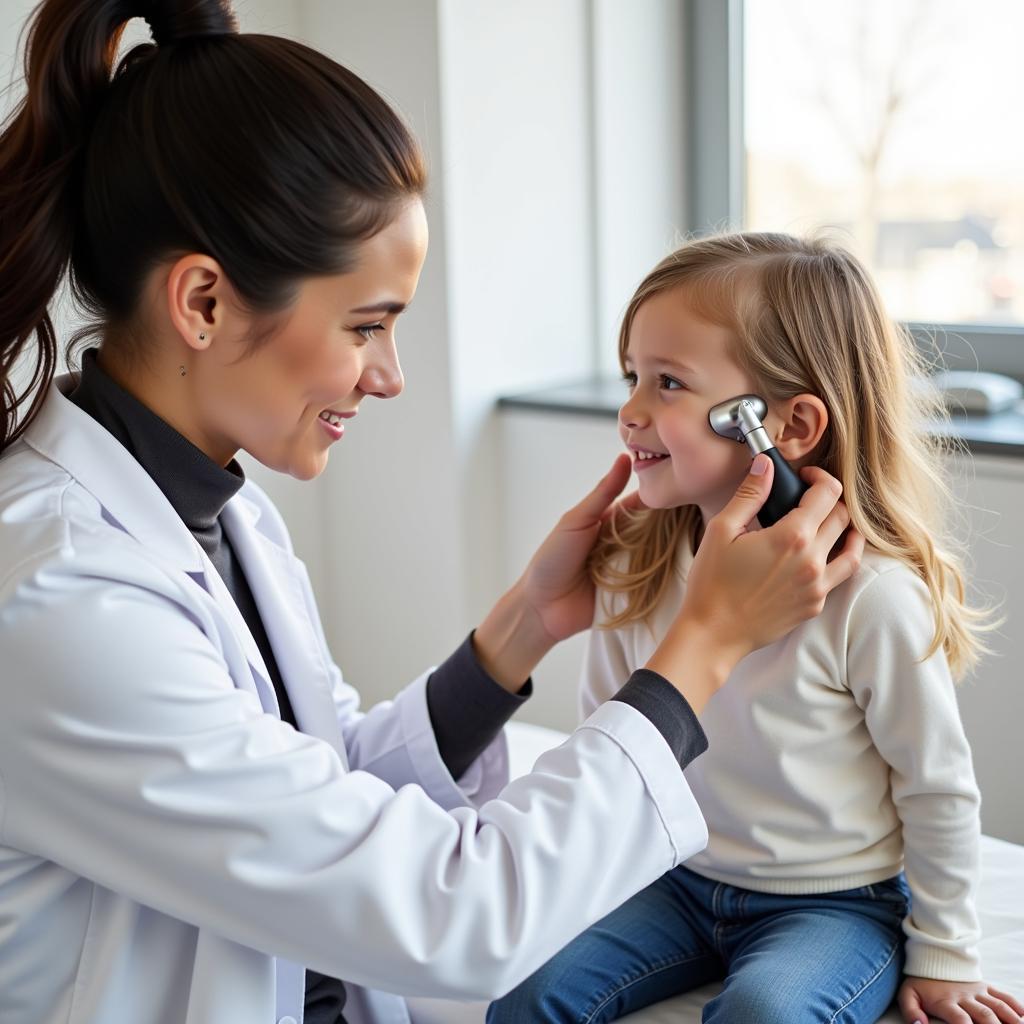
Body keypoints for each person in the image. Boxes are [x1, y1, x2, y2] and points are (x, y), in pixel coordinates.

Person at [0, 4, 863, 1023]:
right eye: (366, 325)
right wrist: (703, 644)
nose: (391, 376)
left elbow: (320, 797)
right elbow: (446, 911)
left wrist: (522, 628)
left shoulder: (222, 519)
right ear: (202, 303)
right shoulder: (56, 595)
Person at [487, 233, 1024, 1024]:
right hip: (673, 880)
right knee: (525, 993)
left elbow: (936, 786)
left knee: (762, 1015)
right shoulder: (638, 569)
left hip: (835, 904)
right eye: (634, 374)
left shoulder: (870, 598)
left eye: (668, 382)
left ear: (789, 426)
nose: (631, 409)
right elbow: (611, 750)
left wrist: (945, 954)